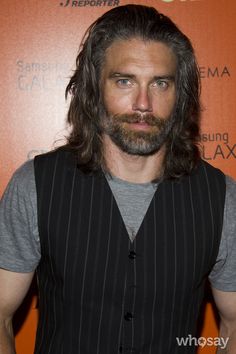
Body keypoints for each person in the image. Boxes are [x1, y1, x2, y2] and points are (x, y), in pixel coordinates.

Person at [0, 4, 236, 354]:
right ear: (94, 88)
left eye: (160, 83)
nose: (143, 103)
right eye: (124, 81)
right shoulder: (34, 186)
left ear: (180, 94)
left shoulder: (221, 199)